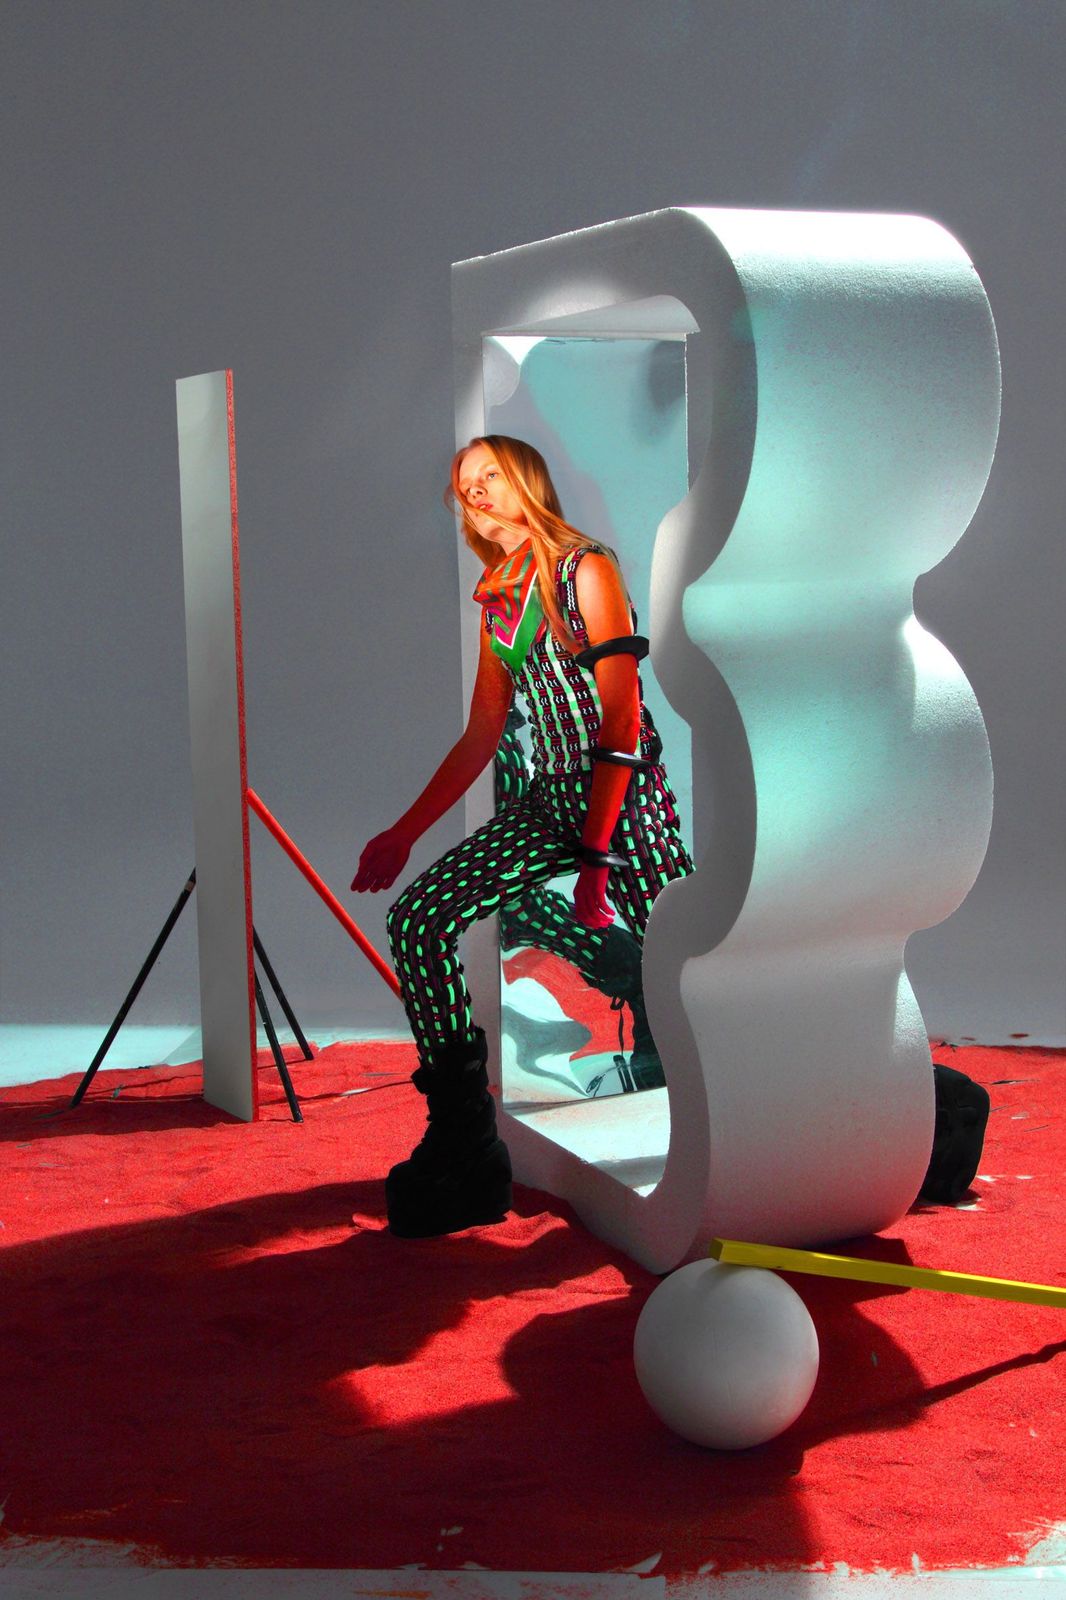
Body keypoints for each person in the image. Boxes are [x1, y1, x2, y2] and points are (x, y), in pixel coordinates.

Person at [351, 435, 693, 1238]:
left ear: (528, 482)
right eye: (463, 481)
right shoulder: (498, 593)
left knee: (695, 953)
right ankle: (465, 1136)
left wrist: (597, 862)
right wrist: (403, 832)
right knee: (418, 919)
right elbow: (481, 735)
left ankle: (805, 1104)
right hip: (551, 800)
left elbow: (620, 719)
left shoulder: (585, 568)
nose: (475, 490)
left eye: (492, 475)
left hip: (625, 796)